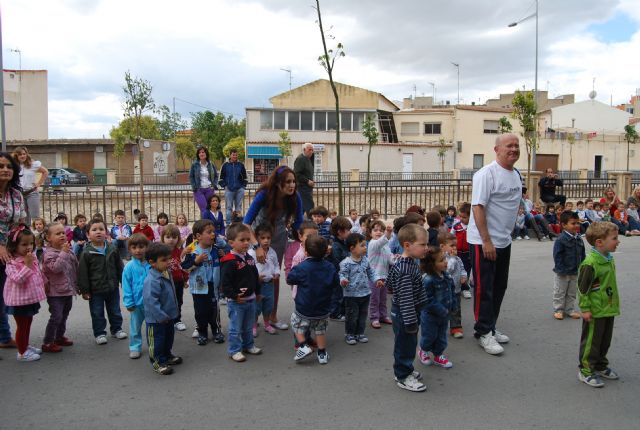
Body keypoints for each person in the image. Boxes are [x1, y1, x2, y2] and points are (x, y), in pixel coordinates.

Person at [468, 134, 522, 356]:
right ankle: (483, 332)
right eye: (509, 145)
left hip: (503, 241)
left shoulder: (516, 173)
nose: (514, 149)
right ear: (497, 149)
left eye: (517, 146)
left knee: (500, 286)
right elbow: (477, 207)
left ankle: (490, 325)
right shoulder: (486, 174)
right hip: (484, 242)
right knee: (484, 289)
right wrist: (487, 241)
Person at [244, 165, 304, 331]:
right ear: (278, 183)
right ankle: (253, 318)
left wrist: (306, 244)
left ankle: (272, 316)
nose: (292, 185)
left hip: (277, 237)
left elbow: (299, 224)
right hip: (256, 235)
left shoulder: (295, 196)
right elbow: (246, 223)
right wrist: (256, 246)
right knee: (256, 276)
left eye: (294, 181)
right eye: (288, 182)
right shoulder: (264, 195)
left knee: (274, 275)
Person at [577, 222, 621, 388]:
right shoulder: (590, 263)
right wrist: (585, 308)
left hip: (608, 308)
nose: (618, 241)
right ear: (599, 242)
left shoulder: (608, 258)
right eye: (614, 238)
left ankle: (600, 365)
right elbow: (583, 288)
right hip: (595, 311)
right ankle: (586, 370)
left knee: (604, 340)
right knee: (591, 342)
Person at [388, 224, 428, 392]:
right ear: (407, 245)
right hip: (406, 314)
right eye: (422, 245)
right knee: (405, 345)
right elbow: (405, 299)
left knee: (407, 343)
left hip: (405, 312)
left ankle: (405, 369)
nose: (426, 248)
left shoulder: (406, 261)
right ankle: (403, 375)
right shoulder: (406, 269)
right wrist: (411, 321)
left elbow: (390, 283)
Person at [286, 235, 337, 365]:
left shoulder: (302, 267)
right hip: (323, 308)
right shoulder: (330, 267)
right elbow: (336, 283)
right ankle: (322, 353)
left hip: (305, 307)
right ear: (326, 251)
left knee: (296, 323)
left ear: (306, 252)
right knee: (320, 331)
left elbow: (290, 279)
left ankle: (303, 345)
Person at [78, 218, 127, 345]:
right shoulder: (86, 252)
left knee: (115, 310)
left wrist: (123, 282)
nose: (98, 232)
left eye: (101, 229)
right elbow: (82, 273)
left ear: (106, 233)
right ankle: (99, 333)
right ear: (88, 235)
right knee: (97, 312)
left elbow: (119, 266)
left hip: (112, 287)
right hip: (96, 290)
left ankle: (117, 329)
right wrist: (84, 290)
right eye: (94, 230)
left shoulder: (112, 248)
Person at [220, 223, 263, 362]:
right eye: (242, 240)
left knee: (248, 326)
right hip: (236, 302)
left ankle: (248, 345)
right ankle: (234, 350)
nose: (246, 243)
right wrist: (233, 296)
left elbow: (254, 276)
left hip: (250, 299)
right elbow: (225, 283)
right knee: (235, 328)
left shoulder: (249, 258)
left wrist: (257, 291)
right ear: (231, 243)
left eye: (247, 239)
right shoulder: (229, 261)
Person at [4, 225, 46, 361]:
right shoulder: (11, 263)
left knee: (28, 322)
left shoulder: (30, 256)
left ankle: (25, 346)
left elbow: (37, 273)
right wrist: (27, 265)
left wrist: (44, 282)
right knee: (22, 326)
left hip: (29, 298)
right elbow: (18, 279)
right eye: (24, 244)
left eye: (31, 243)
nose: (29, 247)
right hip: (19, 301)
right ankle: (22, 353)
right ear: (14, 245)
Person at [181, 219, 227, 345]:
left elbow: (222, 267)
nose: (213, 234)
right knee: (201, 312)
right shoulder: (192, 251)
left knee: (214, 310)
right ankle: (202, 332)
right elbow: (185, 267)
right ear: (198, 236)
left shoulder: (216, 250)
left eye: (214, 232)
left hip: (213, 286)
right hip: (199, 287)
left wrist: (223, 258)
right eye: (209, 232)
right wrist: (196, 261)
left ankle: (217, 330)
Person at [0, 152, 27, 350]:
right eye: (1, 166)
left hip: (11, 253)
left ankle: (4, 336)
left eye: (9, 166)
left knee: (6, 293)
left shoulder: (16, 194)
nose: (5, 170)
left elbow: (21, 222)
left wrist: (26, 245)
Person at [143, 242, 182, 375]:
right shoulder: (152, 280)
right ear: (152, 262)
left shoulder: (166, 273)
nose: (168, 262)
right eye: (164, 260)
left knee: (168, 338)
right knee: (157, 342)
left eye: (169, 258)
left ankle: (167, 355)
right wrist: (161, 316)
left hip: (168, 316)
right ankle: (157, 362)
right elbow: (150, 302)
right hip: (157, 319)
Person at [41, 222, 78, 353]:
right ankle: (48, 342)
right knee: (56, 316)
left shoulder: (66, 249)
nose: (62, 235)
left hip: (67, 290)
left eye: (63, 232)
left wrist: (76, 285)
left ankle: (59, 336)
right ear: (48, 237)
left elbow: (73, 267)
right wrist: (64, 253)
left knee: (64, 315)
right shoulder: (49, 254)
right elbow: (56, 268)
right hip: (55, 292)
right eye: (58, 233)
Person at [339, 233, 382, 345]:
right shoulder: (346, 263)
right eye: (362, 245)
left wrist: (377, 279)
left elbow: (371, 272)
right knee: (352, 315)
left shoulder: (365, 260)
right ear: (352, 248)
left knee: (363, 315)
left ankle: (360, 333)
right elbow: (342, 275)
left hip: (365, 293)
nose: (365, 247)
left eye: (365, 245)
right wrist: (343, 280)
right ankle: (350, 334)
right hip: (351, 295)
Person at [418, 247, 455, 369]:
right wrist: (441, 309)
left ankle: (438, 354)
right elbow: (427, 299)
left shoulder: (447, 276)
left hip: (444, 314)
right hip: (430, 316)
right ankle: (423, 350)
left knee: (441, 336)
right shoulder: (428, 279)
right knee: (429, 335)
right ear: (431, 265)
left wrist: (453, 305)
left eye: (445, 258)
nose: (445, 262)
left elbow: (452, 292)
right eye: (441, 260)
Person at [551, 211, 585, 321]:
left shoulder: (579, 239)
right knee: (560, 291)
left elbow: (582, 254)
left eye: (577, 223)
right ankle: (558, 310)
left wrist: (583, 266)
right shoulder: (561, 239)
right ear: (564, 225)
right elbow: (557, 256)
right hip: (563, 271)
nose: (576, 226)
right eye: (573, 223)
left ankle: (570, 309)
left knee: (572, 292)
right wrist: (561, 270)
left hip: (575, 270)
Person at [122, 233, 151, 359]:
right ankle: (135, 347)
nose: (138, 250)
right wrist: (129, 302)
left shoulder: (152, 264)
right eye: (134, 248)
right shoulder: (129, 267)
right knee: (135, 327)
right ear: (129, 249)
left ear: (147, 247)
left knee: (152, 327)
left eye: (141, 247)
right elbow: (126, 286)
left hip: (151, 302)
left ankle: (153, 346)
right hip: (136, 303)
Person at [248, 224, 280, 336]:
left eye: (268, 238)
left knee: (268, 306)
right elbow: (248, 269)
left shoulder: (272, 252)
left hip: (269, 284)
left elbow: (276, 264)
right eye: (262, 238)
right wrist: (255, 278)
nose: (266, 240)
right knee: (256, 307)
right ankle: (253, 325)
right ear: (256, 239)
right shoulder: (252, 253)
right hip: (257, 286)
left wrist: (277, 273)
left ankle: (267, 324)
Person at [367, 220, 394, 328]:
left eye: (381, 230)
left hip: (384, 276)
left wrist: (398, 259)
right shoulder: (373, 244)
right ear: (370, 233)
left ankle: (383, 316)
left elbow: (390, 258)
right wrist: (387, 233)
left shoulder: (386, 245)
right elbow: (381, 241)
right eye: (375, 230)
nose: (378, 232)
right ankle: (374, 317)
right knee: (374, 298)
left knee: (383, 298)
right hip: (374, 277)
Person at [161, 224, 188, 332]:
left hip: (178, 281)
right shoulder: (161, 252)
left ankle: (177, 320)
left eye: (174, 237)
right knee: (166, 301)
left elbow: (183, 266)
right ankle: (167, 319)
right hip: (165, 281)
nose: (171, 240)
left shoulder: (179, 251)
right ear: (163, 238)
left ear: (178, 238)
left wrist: (185, 279)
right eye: (168, 237)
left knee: (178, 300)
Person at [439, 232, 467, 339]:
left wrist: (464, 275)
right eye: (452, 246)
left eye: (456, 245)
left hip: (456, 289)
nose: (455, 248)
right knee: (443, 309)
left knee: (456, 308)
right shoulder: (442, 259)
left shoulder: (457, 258)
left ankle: (456, 327)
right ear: (442, 247)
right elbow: (448, 269)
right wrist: (452, 258)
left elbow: (462, 267)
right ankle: (440, 327)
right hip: (445, 290)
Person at [12, 146, 48, 224]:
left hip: (32, 193)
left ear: (27, 154)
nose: (22, 156)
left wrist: (39, 183)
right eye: (20, 154)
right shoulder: (14, 166)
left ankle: (38, 234)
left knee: (35, 217)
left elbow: (45, 172)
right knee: (23, 218)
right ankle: (27, 234)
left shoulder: (33, 165)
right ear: (16, 156)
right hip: (20, 194)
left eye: (24, 154)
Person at [219, 149, 248, 225]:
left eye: (236, 154)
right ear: (230, 155)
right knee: (229, 208)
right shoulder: (225, 165)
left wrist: (243, 187)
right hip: (229, 190)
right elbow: (221, 178)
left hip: (239, 189)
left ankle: (238, 224)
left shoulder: (241, 165)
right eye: (233, 154)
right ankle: (228, 224)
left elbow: (245, 177)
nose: (235, 156)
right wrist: (225, 186)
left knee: (238, 208)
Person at [451, 203, 472, 299]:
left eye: (465, 217)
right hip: (457, 252)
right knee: (457, 269)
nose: (462, 219)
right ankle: (456, 286)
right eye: (460, 216)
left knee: (466, 270)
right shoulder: (456, 226)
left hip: (468, 252)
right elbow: (451, 237)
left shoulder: (472, 227)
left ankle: (465, 288)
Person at [189, 146, 218, 214]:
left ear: (206, 153)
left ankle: (206, 224)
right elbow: (191, 176)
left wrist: (214, 186)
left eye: (203, 152)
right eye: (199, 153)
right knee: (204, 209)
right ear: (198, 155)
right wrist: (194, 187)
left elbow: (216, 176)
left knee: (210, 209)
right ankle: (205, 224)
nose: (201, 154)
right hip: (199, 190)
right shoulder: (195, 164)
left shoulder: (211, 164)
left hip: (209, 189)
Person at [294, 143, 315, 215]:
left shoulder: (307, 159)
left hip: (307, 187)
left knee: (302, 207)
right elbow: (296, 174)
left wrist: (311, 180)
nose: (311, 151)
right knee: (310, 206)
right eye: (309, 150)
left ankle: (298, 222)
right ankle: (313, 223)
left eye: (312, 150)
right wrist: (307, 181)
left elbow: (306, 173)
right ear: (304, 150)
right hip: (302, 187)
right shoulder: (300, 159)